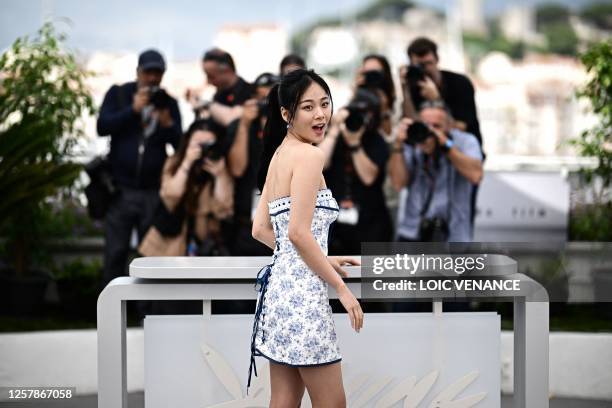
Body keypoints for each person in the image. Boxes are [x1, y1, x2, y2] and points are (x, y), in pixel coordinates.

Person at [248, 69, 363, 406]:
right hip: (305, 298)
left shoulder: (279, 155)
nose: (320, 114)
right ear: (286, 114)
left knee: (283, 401)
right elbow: (298, 233)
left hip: (278, 294)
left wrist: (320, 258)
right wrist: (341, 288)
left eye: (325, 104)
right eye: (308, 107)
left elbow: (262, 231)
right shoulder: (310, 156)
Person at [97, 49, 182, 289]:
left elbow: (180, 146)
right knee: (115, 251)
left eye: (158, 73)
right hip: (120, 190)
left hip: (152, 191)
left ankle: (147, 313)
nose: (153, 78)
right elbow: (102, 126)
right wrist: (132, 111)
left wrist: (168, 125)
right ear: (138, 72)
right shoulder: (119, 94)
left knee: (149, 257)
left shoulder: (169, 103)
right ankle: (111, 309)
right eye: (148, 72)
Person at [388, 101, 483, 242]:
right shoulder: (413, 142)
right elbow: (397, 184)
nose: (430, 132)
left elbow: (476, 175)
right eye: (426, 125)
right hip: (413, 233)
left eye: (436, 126)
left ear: (450, 126)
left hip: (453, 236)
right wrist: (398, 145)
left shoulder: (465, 142)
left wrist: (446, 144)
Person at [138, 119, 234, 257]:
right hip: (169, 242)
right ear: (188, 141)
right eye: (198, 144)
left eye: (209, 144)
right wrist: (187, 163)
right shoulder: (175, 161)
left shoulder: (221, 165)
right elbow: (171, 195)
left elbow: (224, 209)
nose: (203, 149)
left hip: (205, 246)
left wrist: (220, 176)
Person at [319, 88, 393, 255]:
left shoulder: (376, 140)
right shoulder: (334, 137)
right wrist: (335, 129)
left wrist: (355, 144)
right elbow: (319, 166)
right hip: (335, 226)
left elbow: (368, 177)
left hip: (371, 224)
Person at [226, 73, 279, 256]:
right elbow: (237, 168)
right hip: (247, 223)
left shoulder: (290, 126)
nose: (266, 104)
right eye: (261, 98)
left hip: (282, 222)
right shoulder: (242, 126)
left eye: (270, 98)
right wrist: (244, 124)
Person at [401, 37, 482, 147]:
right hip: (428, 153)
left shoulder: (460, 84)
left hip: (462, 149)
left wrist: (437, 100)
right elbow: (411, 122)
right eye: (419, 66)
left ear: (437, 59)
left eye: (429, 63)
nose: (425, 69)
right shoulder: (413, 88)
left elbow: (460, 128)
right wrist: (405, 89)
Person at [197, 48, 254, 127]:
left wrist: (206, 104)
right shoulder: (219, 95)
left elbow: (233, 121)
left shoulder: (250, 92)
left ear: (226, 71)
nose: (208, 81)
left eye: (211, 76)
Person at [355, 54, 396, 138]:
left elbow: (389, 135)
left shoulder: (392, 97)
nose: (372, 77)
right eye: (367, 73)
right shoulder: (358, 93)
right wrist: (356, 91)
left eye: (375, 73)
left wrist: (384, 108)